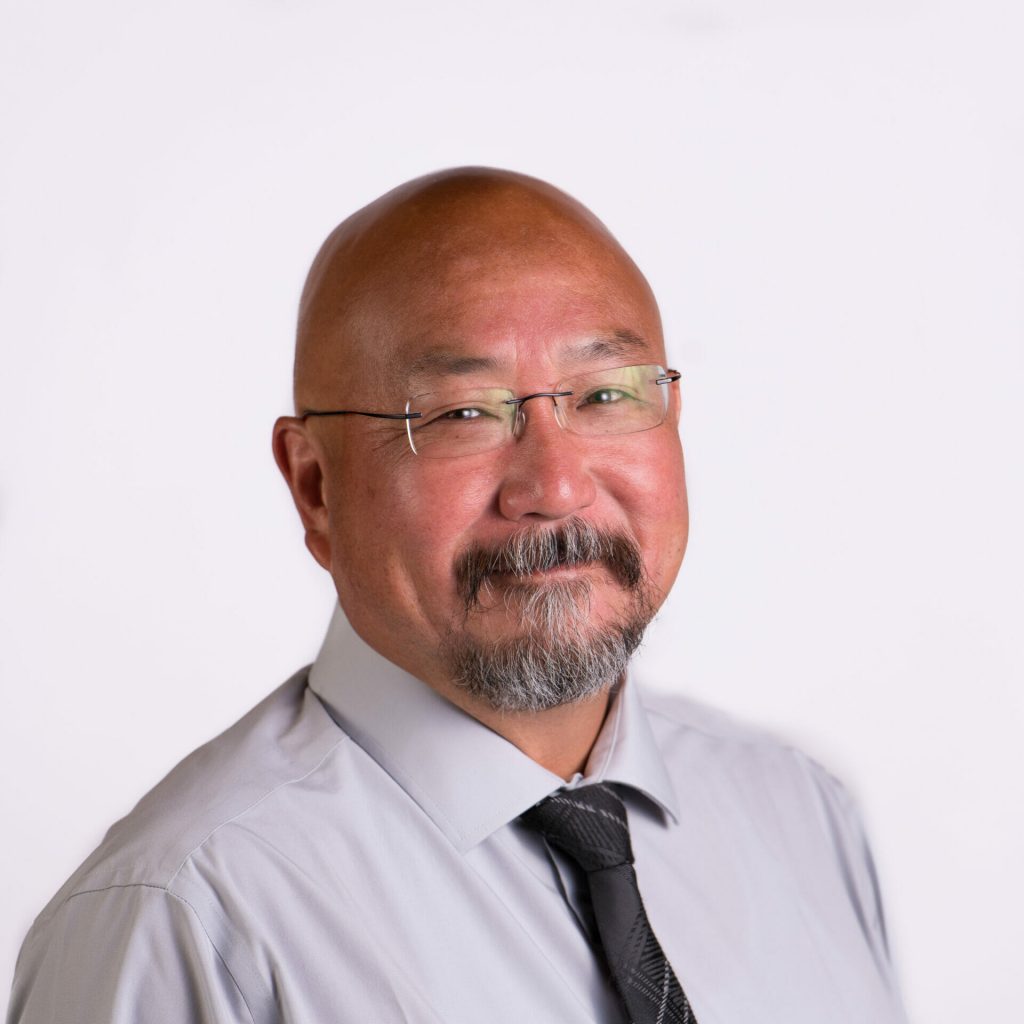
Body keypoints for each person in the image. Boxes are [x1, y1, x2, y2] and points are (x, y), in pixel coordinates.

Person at [6, 168, 908, 1023]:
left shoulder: (799, 813)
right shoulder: (189, 918)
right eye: (462, 414)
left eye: (605, 395)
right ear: (315, 488)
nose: (556, 487)